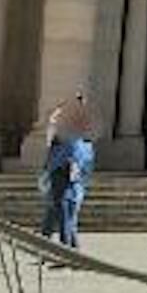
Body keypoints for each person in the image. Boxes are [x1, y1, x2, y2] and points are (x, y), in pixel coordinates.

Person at [40, 94, 97, 248]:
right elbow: (52, 129)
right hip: (64, 186)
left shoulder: (79, 146)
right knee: (62, 219)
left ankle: (68, 249)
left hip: (69, 187)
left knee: (66, 220)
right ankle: (63, 248)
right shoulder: (69, 144)